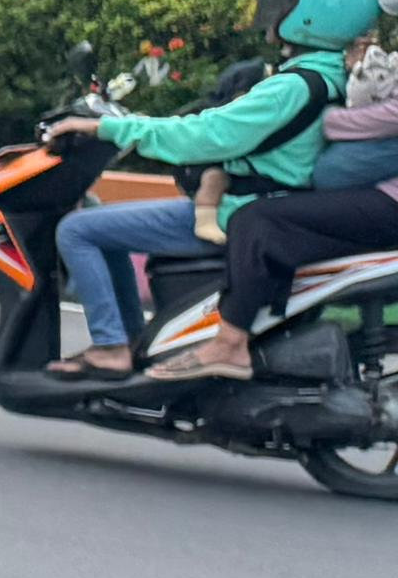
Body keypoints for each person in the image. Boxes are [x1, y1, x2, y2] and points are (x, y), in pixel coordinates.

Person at [47, 0, 361, 379]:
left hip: (236, 211)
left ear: (314, 15)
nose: (272, 10)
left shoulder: (293, 86)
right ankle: (136, 342)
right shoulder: (331, 75)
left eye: (285, 0)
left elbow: (206, 135)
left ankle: (111, 346)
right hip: (260, 205)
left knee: (77, 229)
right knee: (104, 231)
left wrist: (108, 128)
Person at [157, 50, 398, 381]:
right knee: (290, 216)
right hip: (382, 195)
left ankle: (230, 342)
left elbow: (381, 116)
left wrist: (330, 118)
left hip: (390, 204)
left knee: (257, 220)